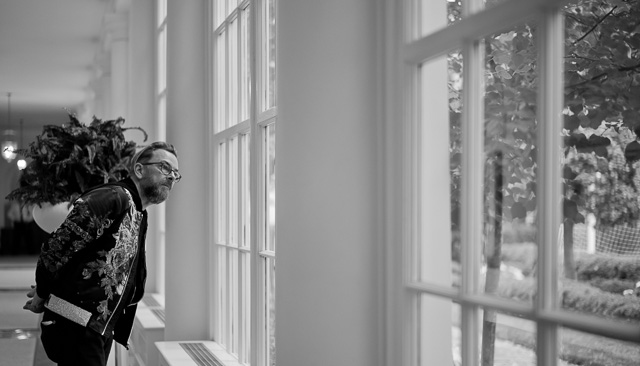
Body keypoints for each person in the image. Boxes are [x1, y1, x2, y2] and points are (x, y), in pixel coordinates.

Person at [22, 141, 181, 366]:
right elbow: (56, 247)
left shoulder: (138, 210)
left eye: (175, 173)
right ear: (139, 169)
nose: (172, 177)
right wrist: (43, 290)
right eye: (165, 168)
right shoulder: (114, 197)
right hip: (76, 321)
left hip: (96, 326)